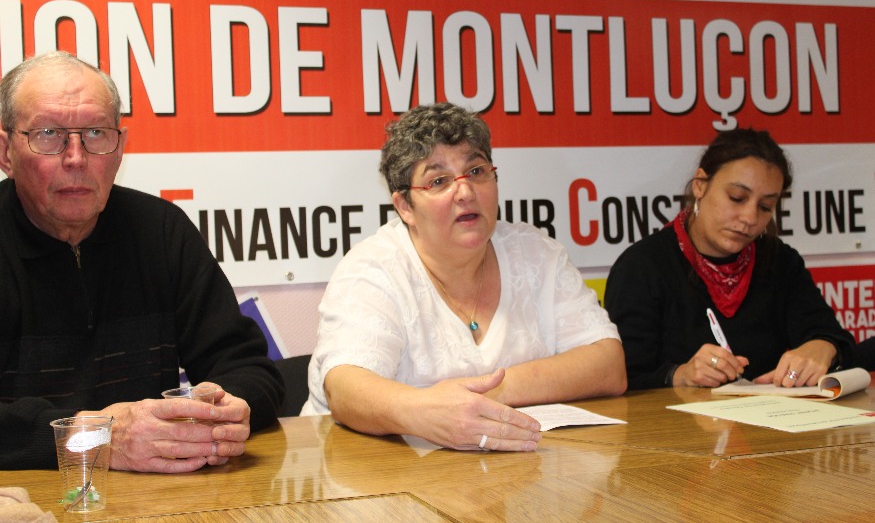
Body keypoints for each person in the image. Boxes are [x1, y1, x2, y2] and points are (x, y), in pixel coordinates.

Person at [0, 51, 284, 472]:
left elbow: (249, 369)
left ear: (120, 148)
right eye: (48, 134)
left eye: (95, 133)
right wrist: (98, 437)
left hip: (160, 491)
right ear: (6, 152)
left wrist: (223, 410)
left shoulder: (161, 230)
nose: (76, 157)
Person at [300, 102, 626, 451]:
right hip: (367, 468)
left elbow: (609, 365)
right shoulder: (373, 269)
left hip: (509, 468)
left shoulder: (536, 253)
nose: (466, 192)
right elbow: (345, 389)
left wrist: (485, 398)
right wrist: (428, 412)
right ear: (405, 206)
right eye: (439, 181)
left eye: (476, 171)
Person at [604, 127, 855, 390]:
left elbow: (834, 338)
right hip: (675, 417)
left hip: (771, 414)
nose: (749, 217)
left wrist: (823, 347)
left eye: (765, 207)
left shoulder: (780, 261)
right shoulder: (642, 267)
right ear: (700, 185)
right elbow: (623, 378)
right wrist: (679, 375)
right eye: (737, 198)